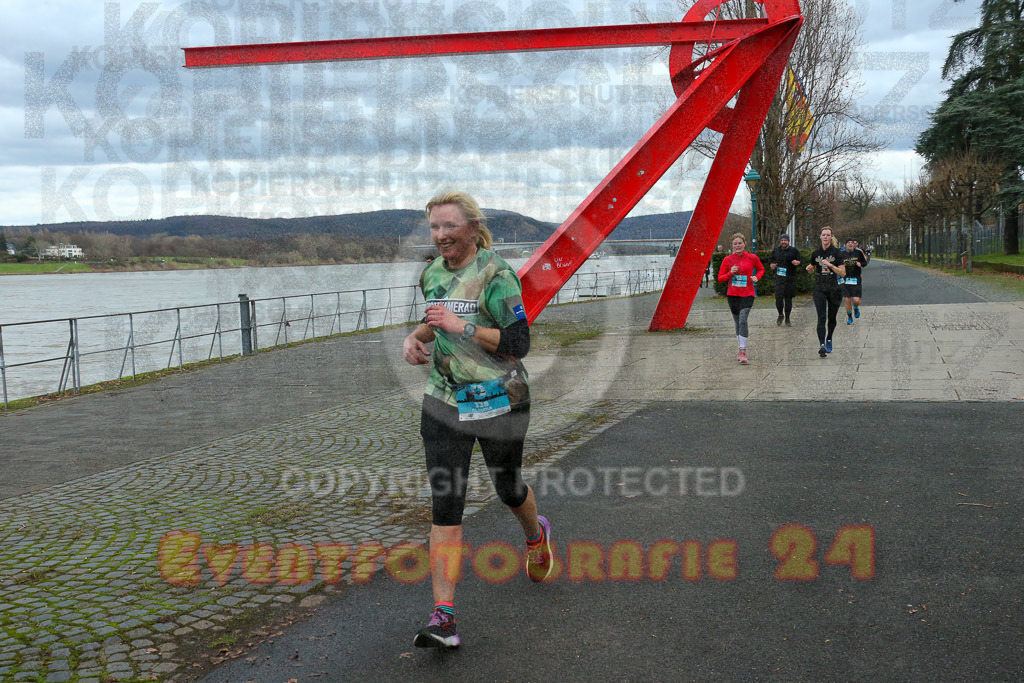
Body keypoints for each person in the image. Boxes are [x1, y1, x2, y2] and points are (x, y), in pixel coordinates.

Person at [402, 191, 553, 649]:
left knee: (508, 488)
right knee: (446, 501)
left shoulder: (497, 273)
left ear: (471, 227)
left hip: (499, 399)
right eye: (434, 227)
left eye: (449, 226)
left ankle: (535, 533)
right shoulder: (430, 272)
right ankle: (444, 617)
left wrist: (460, 326)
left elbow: (518, 342)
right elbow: (437, 317)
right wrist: (416, 335)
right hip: (445, 401)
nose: (441, 235)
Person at [717, 233, 764, 364]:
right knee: (737, 323)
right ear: (732, 245)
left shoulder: (752, 257)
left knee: (743, 320)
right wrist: (730, 273)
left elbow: (761, 269)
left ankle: (743, 351)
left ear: (744, 244)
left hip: (748, 294)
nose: (738, 245)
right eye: (735, 243)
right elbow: (720, 278)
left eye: (740, 243)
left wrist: (757, 277)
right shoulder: (727, 260)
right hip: (733, 295)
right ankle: (740, 349)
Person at [805, 227, 847, 357]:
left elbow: (843, 273)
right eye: (823, 235)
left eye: (828, 235)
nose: (825, 237)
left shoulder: (838, 253)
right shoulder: (816, 253)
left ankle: (829, 338)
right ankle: (821, 345)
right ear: (820, 236)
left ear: (831, 237)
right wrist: (809, 269)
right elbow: (813, 268)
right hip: (819, 288)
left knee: (831, 318)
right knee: (821, 317)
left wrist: (830, 265)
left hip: (834, 288)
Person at [768, 233, 801, 326]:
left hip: (790, 277)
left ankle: (787, 318)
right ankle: (780, 315)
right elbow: (770, 260)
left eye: (785, 240)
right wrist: (772, 265)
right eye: (782, 240)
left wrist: (797, 262)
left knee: (788, 299)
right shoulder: (776, 250)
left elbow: (800, 261)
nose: (783, 242)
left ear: (788, 241)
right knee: (778, 298)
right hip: (779, 278)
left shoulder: (794, 250)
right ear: (780, 241)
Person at [841, 238, 868, 325]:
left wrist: (861, 264)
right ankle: (849, 317)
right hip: (846, 278)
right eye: (848, 243)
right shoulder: (842, 254)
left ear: (854, 245)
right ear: (845, 245)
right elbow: (837, 265)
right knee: (847, 299)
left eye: (852, 243)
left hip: (856, 278)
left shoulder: (858, 252)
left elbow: (865, 263)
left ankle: (856, 307)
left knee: (856, 300)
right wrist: (842, 266)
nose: (850, 244)